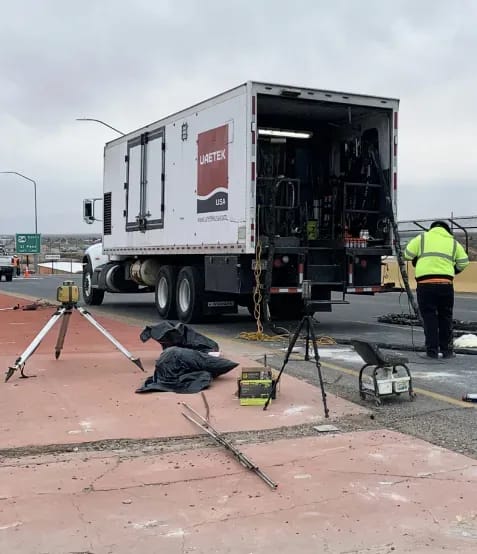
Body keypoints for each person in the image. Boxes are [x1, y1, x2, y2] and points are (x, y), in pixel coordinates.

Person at [404, 220, 469, 359]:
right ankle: (447, 351)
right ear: (447, 231)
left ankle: (432, 352)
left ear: (431, 229)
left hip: (425, 285)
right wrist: (452, 271)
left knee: (429, 317)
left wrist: (418, 258)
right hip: (446, 285)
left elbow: (407, 254)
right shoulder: (453, 242)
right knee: (446, 317)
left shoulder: (421, 238)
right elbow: (464, 262)